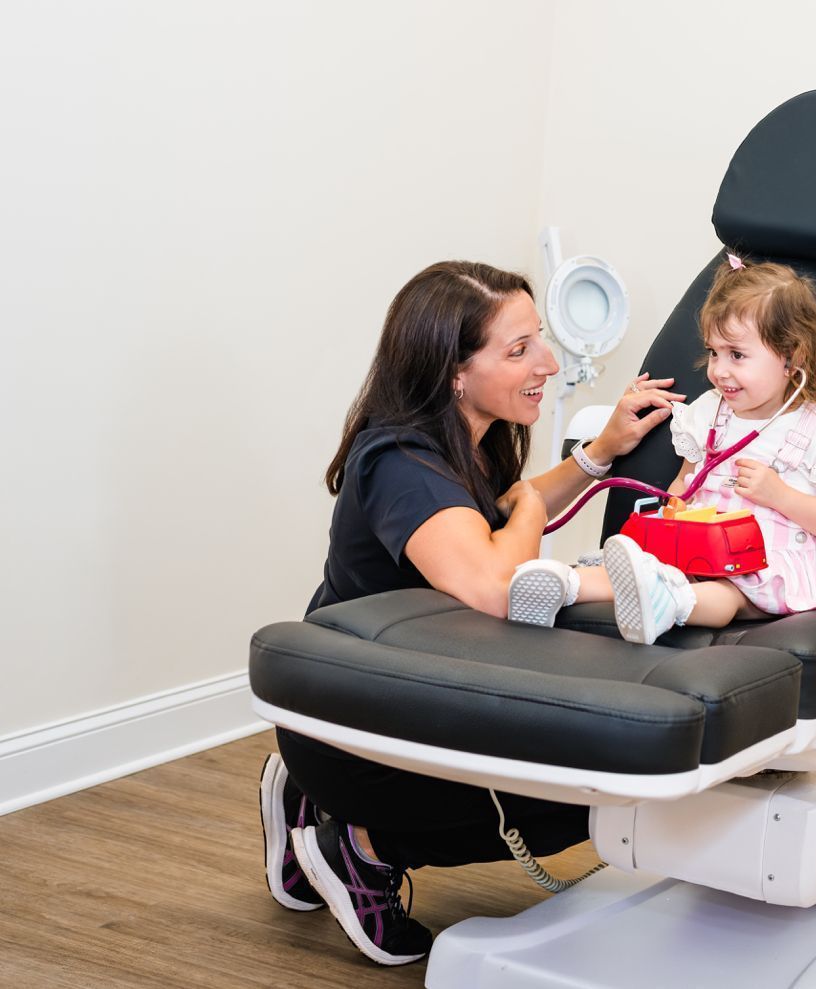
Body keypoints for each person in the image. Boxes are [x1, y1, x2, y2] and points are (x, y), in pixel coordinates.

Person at [258, 260, 682, 966]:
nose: (546, 362)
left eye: (538, 339)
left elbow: (499, 516)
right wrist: (538, 507)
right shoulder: (401, 457)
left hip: (395, 695)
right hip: (355, 730)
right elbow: (493, 580)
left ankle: (306, 792)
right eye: (519, 351)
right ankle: (361, 843)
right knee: (576, 804)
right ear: (453, 371)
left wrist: (600, 452)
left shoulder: (464, 434)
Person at [509, 252, 816, 645]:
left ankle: (672, 604)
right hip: (702, 546)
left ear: (792, 357)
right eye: (714, 353)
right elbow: (686, 481)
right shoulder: (709, 412)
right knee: (645, 565)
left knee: (727, 595)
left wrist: (778, 495)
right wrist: (673, 511)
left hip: (764, 565)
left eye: (737, 355)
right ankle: (565, 583)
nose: (719, 370)